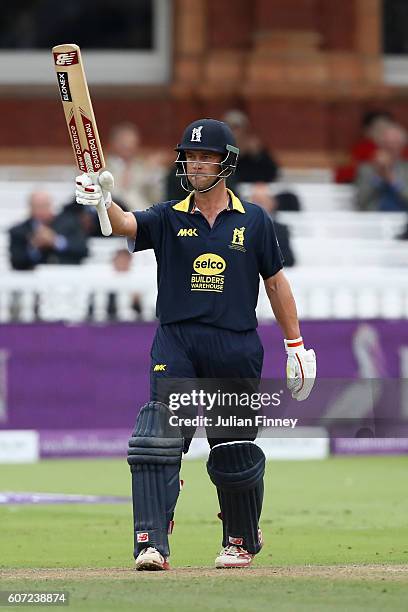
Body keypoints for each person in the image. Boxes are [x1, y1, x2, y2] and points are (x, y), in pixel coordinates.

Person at [75, 118, 316, 570]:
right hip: (178, 340)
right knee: (157, 439)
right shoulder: (168, 215)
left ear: (225, 163)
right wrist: (103, 200)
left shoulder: (255, 219)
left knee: (233, 449)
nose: (196, 163)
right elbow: (125, 224)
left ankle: (240, 538)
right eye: (190, 156)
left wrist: (296, 344)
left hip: (235, 343)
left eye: (206, 156)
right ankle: (151, 543)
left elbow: (276, 284)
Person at [9, 190, 88, 270]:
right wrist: (34, 246)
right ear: (30, 207)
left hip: (65, 275)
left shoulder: (69, 224)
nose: (41, 210)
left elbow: (82, 250)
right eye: (37, 206)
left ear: (50, 205)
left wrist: (56, 241)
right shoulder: (18, 231)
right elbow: (16, 262)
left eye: (44, 206)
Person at [107, 122, 165, 211]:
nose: (127, 146)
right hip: (112, 215)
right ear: (113, 143)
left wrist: (153, 173)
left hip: (142, 215)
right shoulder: (103, 168)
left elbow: (158, 198)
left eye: (131, 142)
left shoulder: (145, 168)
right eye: (123, 142)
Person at [355, 123, 408, 211]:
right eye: (387, 144)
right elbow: (361, 202)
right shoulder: (366, 169)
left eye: (396, 144)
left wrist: (392, 179)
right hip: (374, 218)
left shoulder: (406, 168)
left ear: (402, 146)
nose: (391, 148)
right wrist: (378, 176)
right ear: (380, 144)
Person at [249, 183, 296, 267]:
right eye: (254, 201)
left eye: (262, 202)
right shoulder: (239, 226)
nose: (258, 206)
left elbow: (289, 260)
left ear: (272, 204)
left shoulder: (281, 229)